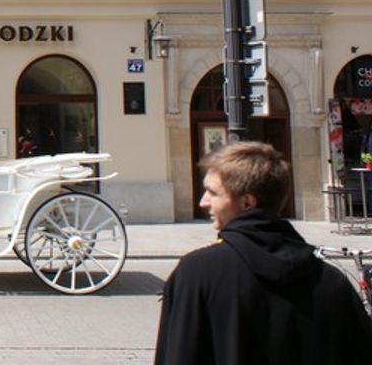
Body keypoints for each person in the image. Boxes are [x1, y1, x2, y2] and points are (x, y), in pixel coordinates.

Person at [153, 141, 372, 364]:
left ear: (247, 202)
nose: (203, 202)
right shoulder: (331, 282)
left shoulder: (196, 274)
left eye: (212, 193)